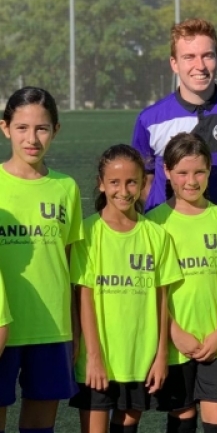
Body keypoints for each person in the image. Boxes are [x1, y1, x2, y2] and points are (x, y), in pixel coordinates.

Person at [69, 145, 183, 433]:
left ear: (144, 183)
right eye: (114, 182)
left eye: (131, 181)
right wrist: (93, 357)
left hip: (140, 358)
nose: (123, 190)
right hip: (98, 359)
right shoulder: (88, 233)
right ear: (101, 184)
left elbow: (161, 300)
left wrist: (159, 357)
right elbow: (84, 297)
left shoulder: (156, 236)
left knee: (128, 425)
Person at [0, 86, 84, 433]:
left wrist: (75, 330)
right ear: (5, 127)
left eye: (41, 128)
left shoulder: (66, 188)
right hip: (3, 329)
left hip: (51, 327)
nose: (32, 138)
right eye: (22, 127)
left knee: (39, 425)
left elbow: (68, 263)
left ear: (56, 130)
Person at [148, 133, 217, 433]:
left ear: (209, 170)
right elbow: (149, 289)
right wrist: (174, 332)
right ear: (167, 172)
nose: (191, 181)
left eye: (199, 172)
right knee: (181, 419)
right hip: (175, 344)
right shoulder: (154, 224)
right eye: (182, 173)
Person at [132, 18, 217, 213]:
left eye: (207, 56)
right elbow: (144, 179)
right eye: (189, 57)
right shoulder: (150, 119)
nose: (199, 65)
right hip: (168, 234)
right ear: (174, 63)